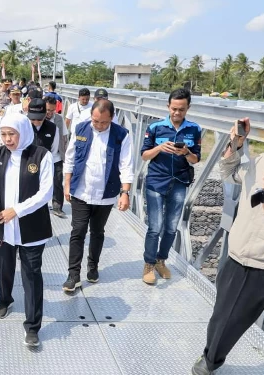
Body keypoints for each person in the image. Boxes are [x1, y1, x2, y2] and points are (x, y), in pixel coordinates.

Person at [191, 121, 264, 375]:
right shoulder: (262, 161)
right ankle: (211, 359)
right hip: (247, 263)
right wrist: (236, 143)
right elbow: (228, 171)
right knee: (224, 322)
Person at [0, 113, 53, 347]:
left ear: (23, 132)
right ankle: (5, 299)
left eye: (12, 134)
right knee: (4, 267)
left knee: (32, 274)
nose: (8, 139)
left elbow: (45, 193)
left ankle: (32, 326)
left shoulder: (41, 155)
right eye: (4, 134)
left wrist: (17, 210)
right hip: (1, 224)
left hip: (31, 227)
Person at [62, 99, 134, 291]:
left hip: (106, 193)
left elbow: (126, 165)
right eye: (96, 121)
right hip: (80, 190)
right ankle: (73, 274)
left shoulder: (121, 135)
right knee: (77, 231)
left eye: (104, 122)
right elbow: (70, 157)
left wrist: (125, 192)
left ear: (112, 118)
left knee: (97, 231)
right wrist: (67, 184)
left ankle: (92, 266)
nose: (99, 125)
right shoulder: (80, 129)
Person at [141, 88, 201, 285]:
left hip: (179, 183)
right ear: (168, 106)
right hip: (156, 181)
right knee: (155, 227)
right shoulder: (155, 127)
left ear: (188, 108)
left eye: (181, 109)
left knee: (171, 228)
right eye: (174, 108)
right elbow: (144, 155)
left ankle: (161, 260)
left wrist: (185, 152)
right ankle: (149, 264)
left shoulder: (195, 129)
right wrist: (159, 148)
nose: (177, 113)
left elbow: (196, 159)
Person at [45, 96, 69, 217]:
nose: (49, 113)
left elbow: (65, 138)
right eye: (47, 110)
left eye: (52, 110)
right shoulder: (39, 119)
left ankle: (57, 207)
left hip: (57, 156)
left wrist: (67, 156)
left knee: (58, 182)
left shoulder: (59, 119)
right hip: (43, 157)